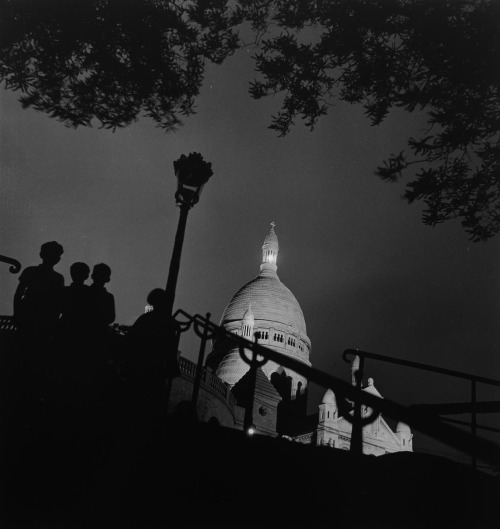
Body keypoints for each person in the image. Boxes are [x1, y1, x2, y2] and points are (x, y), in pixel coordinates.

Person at [14, 241, 65, 339]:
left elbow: (18, 294)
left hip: (30, 315)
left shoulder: (30, 271)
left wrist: (16, 313)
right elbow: (59, 301)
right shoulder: (58, 278)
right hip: (43, 318)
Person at [60, 262, 92, 331]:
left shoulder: (64, 291)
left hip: (66, 326)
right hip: (84, 327)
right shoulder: (91, 292)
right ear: (86, 276)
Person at [88, 263, 115, 329]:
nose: (99, 278)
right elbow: (111, 317)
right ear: (108, 279)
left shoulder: (84, 292)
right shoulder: (108, 297)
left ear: (92, 276)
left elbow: (111, 317)